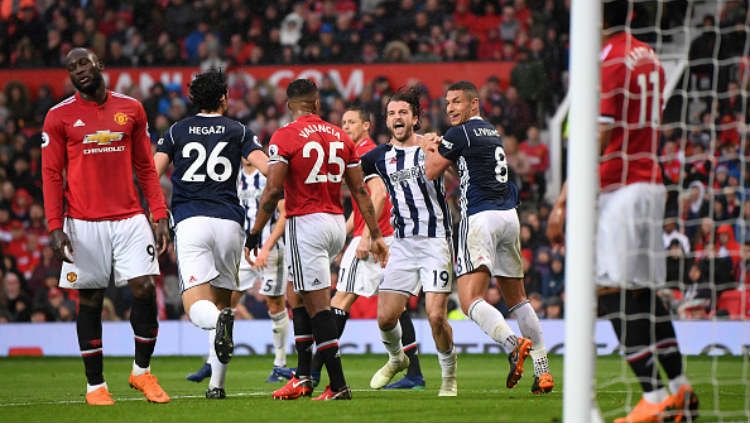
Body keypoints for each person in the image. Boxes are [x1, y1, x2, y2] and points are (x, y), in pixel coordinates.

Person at [546, 2, 698, 422]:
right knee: (643, 294)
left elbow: (599, 134)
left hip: (621, 189)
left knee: (609, 292)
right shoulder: (647, 55)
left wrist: (563, 202)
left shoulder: (609, 61)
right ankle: (679, 387)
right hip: (650, 182)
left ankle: (653, 397)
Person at [42, 48, 171, 405]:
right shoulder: (58, 117)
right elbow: (51, 175)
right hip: (82, 221)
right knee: (91, 300)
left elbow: (146, 166)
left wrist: (158, 213)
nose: (79, 71)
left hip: (130, 216)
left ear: (99, 64)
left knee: (144, 288)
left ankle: (141, 373)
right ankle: (95, 386)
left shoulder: (131, 108)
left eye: (84, 63)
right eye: (71, 67)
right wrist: (55, 225)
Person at [245, 78, 389, 401]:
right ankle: (302, 377)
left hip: (305, 222)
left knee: (317, 306)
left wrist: (256, 230)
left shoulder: (285, 136)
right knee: (297, 294)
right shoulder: (340, 135)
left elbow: (272, 192)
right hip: (336, 224)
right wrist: (375, 233)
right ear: (317, 104)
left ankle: (336, 384)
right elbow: (360, 191)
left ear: (289, 106)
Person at [422, 80, 551, 394]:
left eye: (457, 102)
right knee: (518, 299)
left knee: (469, 301)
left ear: (474, 103)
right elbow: (465, 171)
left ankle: (512, 344)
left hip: (480, 218)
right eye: (447, 102)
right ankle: (543, 369)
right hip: (509, 216)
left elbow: (431, 171)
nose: (450, 108)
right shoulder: (490, 130)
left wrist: (429, 146)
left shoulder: (459, 133)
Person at [153, 68, 269, 399]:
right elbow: (267, 167)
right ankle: (216, 386)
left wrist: (158, 213)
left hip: (192, 221)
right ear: (223, 98)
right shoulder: (238, 129)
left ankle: (218, 327)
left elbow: (152, 172)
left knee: (197, 308)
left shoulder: (177, 131)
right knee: (223, 306)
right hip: (231, 223)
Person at [310, 106, 426, 389]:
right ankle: (415, 374)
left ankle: (312, 372)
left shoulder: (365, 154)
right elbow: (359, 209)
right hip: (388, 237)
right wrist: (344, 234)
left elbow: (378, 195)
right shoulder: (364, 153)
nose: (345, 126)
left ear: (366, 125)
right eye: (343, 122)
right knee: (396, 308)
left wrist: (365, 237)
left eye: (351, 122)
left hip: (376, 238)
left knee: (340, 300)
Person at [361, 87, 457, 397]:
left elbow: (457, 173)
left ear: (415, 118)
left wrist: (440, 146)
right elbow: (351, 181)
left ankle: (448, 378)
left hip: (435, 241)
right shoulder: (378, 158)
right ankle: (396, 358)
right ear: (386, 122)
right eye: (391, 114)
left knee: (436, 316)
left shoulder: (432, 146)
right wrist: (373, 234)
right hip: (401, 243)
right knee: (385, 318)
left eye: (403, 112)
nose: (397, 117)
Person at [186, 157, 292, 385]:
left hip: (269, 249)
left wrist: (266, 248)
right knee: (223, 305)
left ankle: (280, 365)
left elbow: (285, 212)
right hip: (241, 250)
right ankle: (211, 362)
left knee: (275, 304)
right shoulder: (232, 176)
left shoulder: (268, 175)